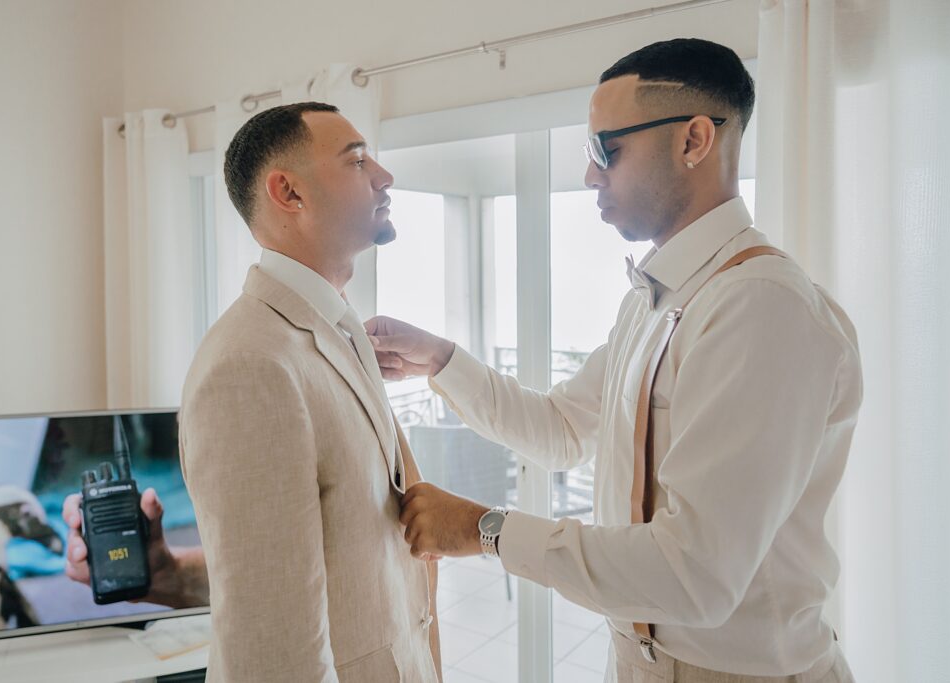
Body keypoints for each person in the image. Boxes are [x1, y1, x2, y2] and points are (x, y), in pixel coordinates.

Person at [368, 39, 861, 682]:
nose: (589, 176)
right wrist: (440, 360)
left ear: (694, 140)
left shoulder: (762, 309)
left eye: (606, 150)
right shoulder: (651, 304)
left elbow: (695, 575)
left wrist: (484, 529)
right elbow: (561, 430)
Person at [64, 102, 441, 683]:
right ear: (288, 193)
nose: (384, 176)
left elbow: (294, 567)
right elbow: (269, 648)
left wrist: (168, 572)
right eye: (358, 160)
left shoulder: (338, 333)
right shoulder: (249, 366)